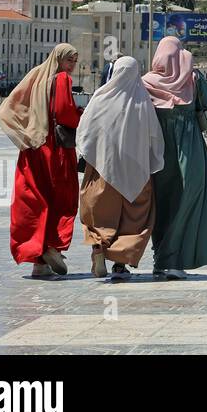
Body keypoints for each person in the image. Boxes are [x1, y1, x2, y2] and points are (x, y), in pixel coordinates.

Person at [77, 56, 165, 281]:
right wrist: (155, 161)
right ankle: (119, 262)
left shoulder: (101, 97)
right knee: (134, 216)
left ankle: (99, 246)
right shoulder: (143, 102)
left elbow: (85, 131)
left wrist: (92, 155)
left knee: (100, 211)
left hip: (102, 167)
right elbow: (154, 136)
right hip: (135, 170)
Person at [0, 43, 82, 278]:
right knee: (61, 196)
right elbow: (65, 112)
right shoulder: (62, 78)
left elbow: (10, 107)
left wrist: (24, 131)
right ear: (60, 60)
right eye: (69, 60)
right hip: (55, 150)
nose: (72, 65)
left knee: (35, 200)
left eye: (74, 60)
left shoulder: (36, 75)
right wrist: (81, 116)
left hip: (32, 148)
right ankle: (53, 247)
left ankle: (39, 261)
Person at [142, 36, 207, 280]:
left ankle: (160, 259)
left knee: (160, 202)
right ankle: (174, 260)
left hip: (155, 151)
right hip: (190, 148)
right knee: (187, 199)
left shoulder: (145, 82)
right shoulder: (193, 79)